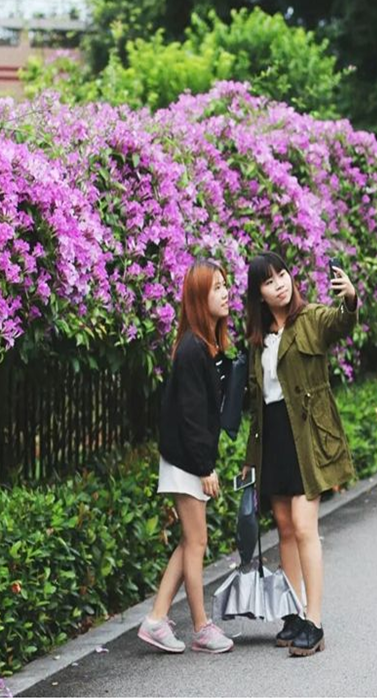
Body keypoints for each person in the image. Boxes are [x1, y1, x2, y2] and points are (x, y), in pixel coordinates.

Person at [241, 250, 358, 657]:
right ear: (258, 293)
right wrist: (248, 458)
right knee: (285, 529)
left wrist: (350, 298)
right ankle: (293, 612)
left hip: (305, 437)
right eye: (270, 281)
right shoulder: (257, 340)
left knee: (306, 527)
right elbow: (256, 403)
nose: (281, 284)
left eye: (284, 275)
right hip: (272, 438)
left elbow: (341, 321)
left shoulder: (311, 320)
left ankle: (315, 621)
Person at [137, 260, 235, 655]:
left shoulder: (205, 346)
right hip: (186, 460)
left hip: (185, 458)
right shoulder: (193, 348)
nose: (225, 292)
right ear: (198, 298)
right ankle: (201, 627)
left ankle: (157, 619)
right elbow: (193, 416)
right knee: (197, 541)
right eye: (216, 288)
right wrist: (205, 467)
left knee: (190, 541)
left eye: (225, 285)